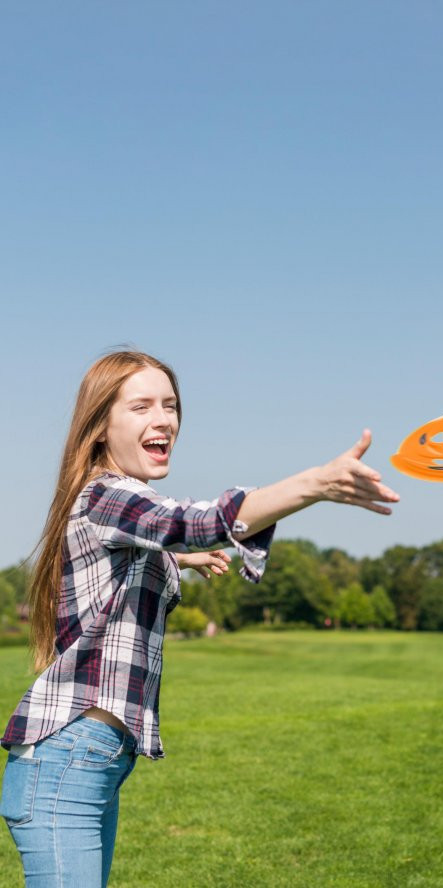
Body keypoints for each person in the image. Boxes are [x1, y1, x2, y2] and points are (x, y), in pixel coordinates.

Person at [0, 349, 399, 887]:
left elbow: (156, 537)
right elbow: (197, 520)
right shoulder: (106, 496)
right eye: (140, 407)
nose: (163, 419)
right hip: (66, 762)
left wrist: (174, 556)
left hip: (88, 762)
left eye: (170, 405)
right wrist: (315, 485)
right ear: (99, 427)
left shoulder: (118, 506)